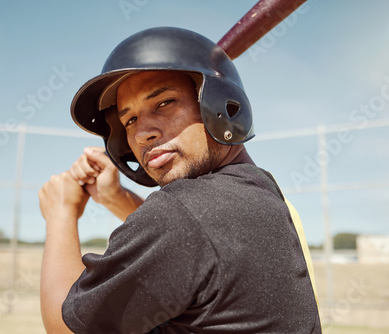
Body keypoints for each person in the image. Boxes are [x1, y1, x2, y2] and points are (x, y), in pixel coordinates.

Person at [39, 27, 321, 333]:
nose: (142, 133)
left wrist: (61, 212)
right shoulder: (259, 190)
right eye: (129, 120)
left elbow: (65, 328)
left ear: (218, 103)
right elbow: (193, 242)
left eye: (164, 103)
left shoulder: (183, 215)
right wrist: (115, 197)